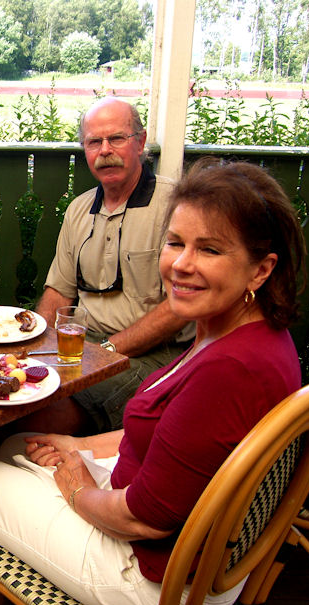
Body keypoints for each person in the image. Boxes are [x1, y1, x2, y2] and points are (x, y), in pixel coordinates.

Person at [0, 158, 305, 605]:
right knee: (19, 447)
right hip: (186, 544)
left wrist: (78, 489)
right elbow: (173, 441)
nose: (181, 264)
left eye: (209, 249)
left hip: (154, 578)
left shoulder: (231, 371)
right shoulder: (240, 334)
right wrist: (77, 447)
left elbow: (145, 521)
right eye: (175, 243)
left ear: (261, 269)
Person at [31, 97, 193, 435]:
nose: (105, 150)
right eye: (94, 142)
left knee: (41, 414)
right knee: (14, 388)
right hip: (83, 345)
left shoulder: (176, 206)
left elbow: (179, 309)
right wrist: (34, 347)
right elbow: (59, 291)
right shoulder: (78, 209)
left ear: (141, 142)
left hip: (154, 354)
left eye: (117, 138)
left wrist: (106, 352)